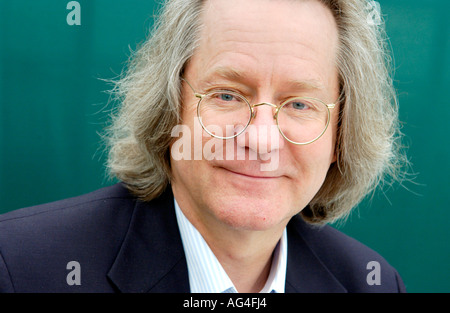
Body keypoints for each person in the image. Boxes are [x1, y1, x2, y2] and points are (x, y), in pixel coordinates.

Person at [0, 0, 407, 293]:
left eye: (300, 104)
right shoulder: (20, 268)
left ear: (339, 133)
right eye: (227, 94)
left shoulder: (372, 284)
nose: (260, 140)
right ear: (170, 107)